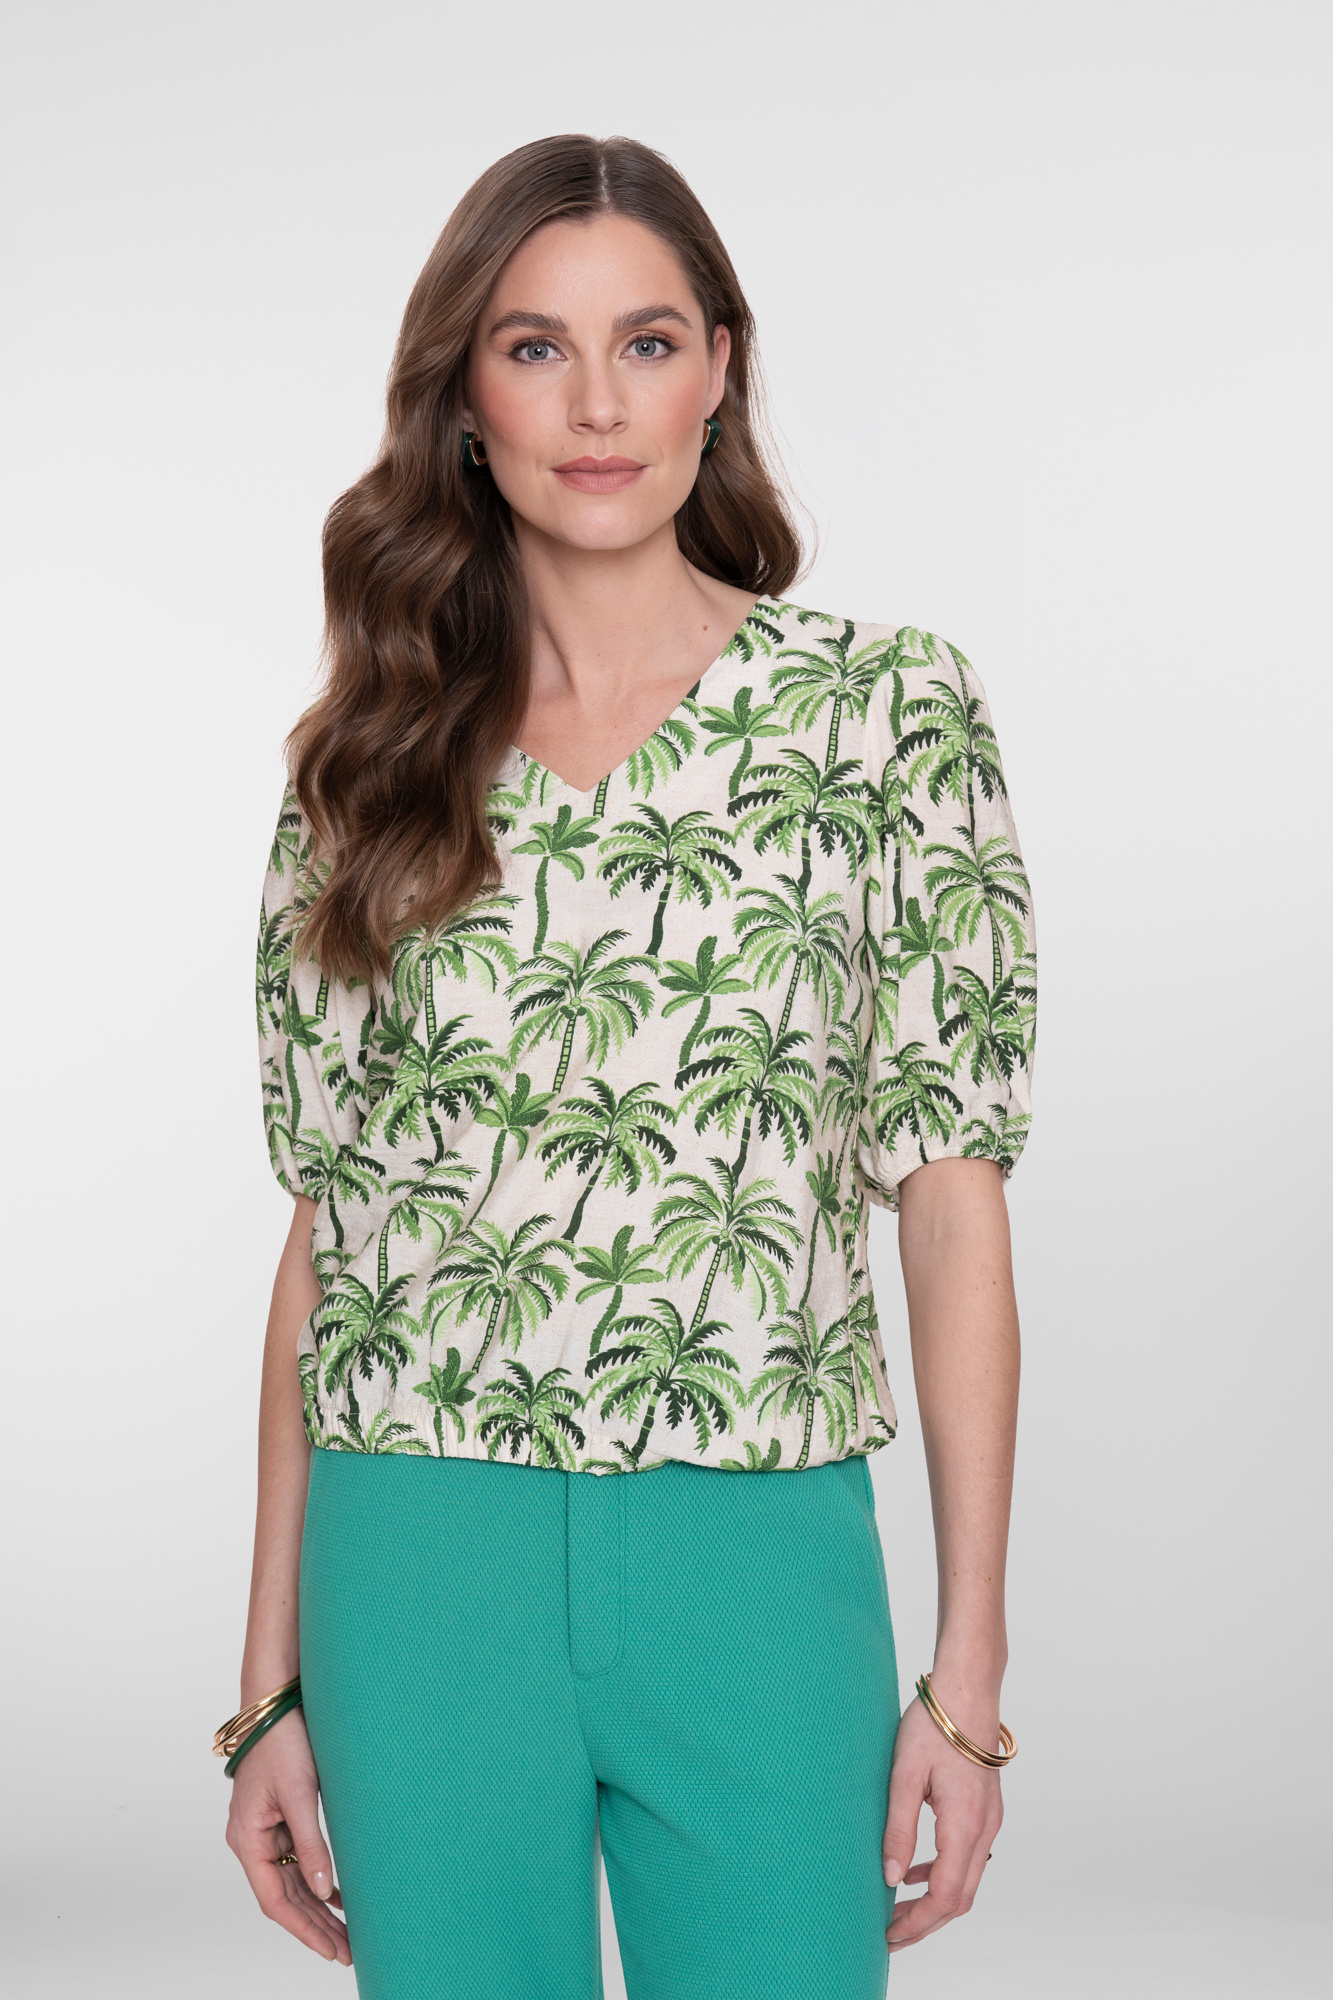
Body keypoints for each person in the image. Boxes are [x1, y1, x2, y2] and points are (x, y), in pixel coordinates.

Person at [222, 132, 1035, 2000]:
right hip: (419, 1556)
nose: (596, 405)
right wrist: (265, 1683)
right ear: (464, 399)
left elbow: (950, 1195)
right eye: (535, 348)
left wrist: (968, 1669)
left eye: (647, 342)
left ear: (718, 369)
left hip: (758, 1555)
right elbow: (327, 1234)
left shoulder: (881, 717)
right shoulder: (368, 766)